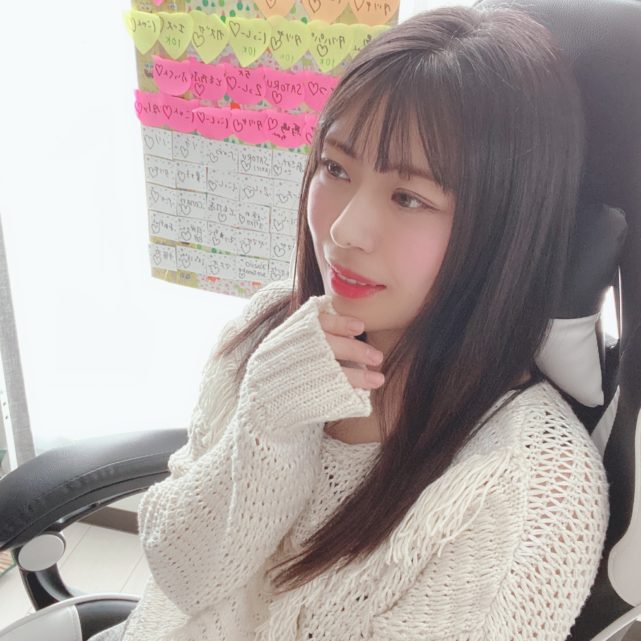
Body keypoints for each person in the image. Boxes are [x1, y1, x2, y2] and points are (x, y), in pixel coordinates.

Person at [90, 5, 609, 640]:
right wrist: (266, 425)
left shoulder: (531, 488)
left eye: (409, 197)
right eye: (335, 168)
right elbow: (180, 580)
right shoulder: (274, 325)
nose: (343, 230)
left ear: (504, 227)